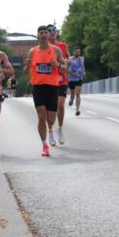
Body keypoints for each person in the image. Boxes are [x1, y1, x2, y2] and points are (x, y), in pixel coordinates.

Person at [28, 25, 68, 157]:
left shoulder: (56, 50)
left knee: (50, 119)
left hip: (52, 87)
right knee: (41, 116)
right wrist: (27, 65)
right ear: (38, 35)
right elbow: (25, 70)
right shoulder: (32, 51)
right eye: (42, 33)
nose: (44, 35)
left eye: (46, 32)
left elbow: (64, 67)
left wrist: (57, 65)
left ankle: (50, 128)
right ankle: (44, 145)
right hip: (38, 87)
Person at [47, 26, 71, 145]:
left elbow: (67, 58)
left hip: (61, 78)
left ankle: (60, 129)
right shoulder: (43, 48)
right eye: (50, 32)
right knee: (51, 107)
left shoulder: (62, 46)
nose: (52, 34)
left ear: (56, 34)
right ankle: (50, 131)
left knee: (60, 105)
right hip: (48, 79)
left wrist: (66, 61)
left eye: (54, 31)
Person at [67, 46, 86, 116]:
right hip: (71, 79)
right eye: (76, 51)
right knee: (72, 95)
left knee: (78, 94)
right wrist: (72, 73)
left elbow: (83, 66)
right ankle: (71, 99)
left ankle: (77, 109)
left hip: (79, 78)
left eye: (79, 52)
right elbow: (66, 68)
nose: (78, 53)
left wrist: (84, 72)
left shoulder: (81, 59)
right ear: (74, 52)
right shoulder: (70, 59)